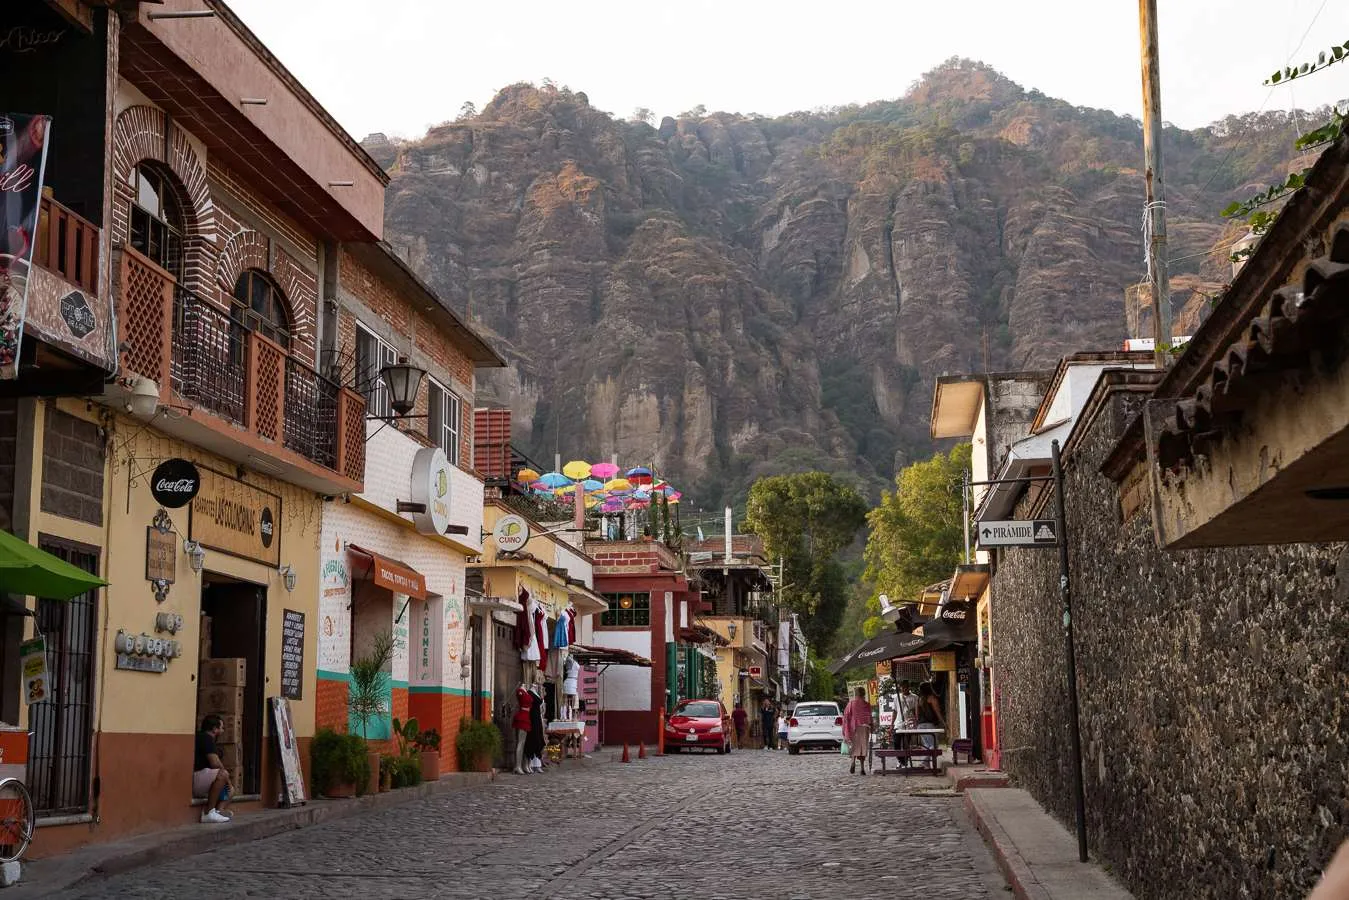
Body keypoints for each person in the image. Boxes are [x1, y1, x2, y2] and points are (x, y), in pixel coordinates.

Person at [193, 715, 233, 824]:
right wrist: (228, 781)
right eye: (221, 728)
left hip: (202, 778)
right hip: (196, 778)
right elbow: (215, 763)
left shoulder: (206, 738)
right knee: (223, 774)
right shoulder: (206, 738)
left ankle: (218, 812)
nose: (223, 730)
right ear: (215, 729)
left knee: (230, 790)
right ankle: (208, 812)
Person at [842, 686, 872, 775]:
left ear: (856, 694)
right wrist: (872, 727)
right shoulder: (867, 704)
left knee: (855, 747)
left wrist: (845, 730)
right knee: (863, 748)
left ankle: (853, 762)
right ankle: (862, 768)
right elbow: (869, 717)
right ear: (864, 694)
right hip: (865, 728)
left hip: (854, 728)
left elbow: (846, 717)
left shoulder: (851, 704)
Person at [915, 682, 946, 751]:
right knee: (934, 745)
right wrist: (944, 724)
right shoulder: (932, 698)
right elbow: (938, 713)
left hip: (920, 726)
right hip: (929, 725)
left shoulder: (918, 699)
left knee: (927, 745)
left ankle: (926, 761)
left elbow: (917, 716)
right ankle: (925, 761)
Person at [893, 681, 919, 749]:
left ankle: (905, 758)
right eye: (903, 687)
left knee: (906, 743)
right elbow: (895, 711)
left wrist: (916, 721)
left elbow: (916, 711)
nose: (904, 689)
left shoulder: (915, 697)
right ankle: (901, 759)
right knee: (896, 742)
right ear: (900, 688)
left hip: (909, 723)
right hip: (898, 723)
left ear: (909, 687)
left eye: (906, 687)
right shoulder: (896, 697)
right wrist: (891, 724)